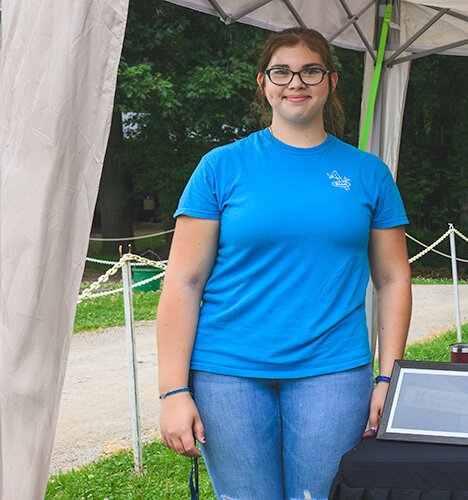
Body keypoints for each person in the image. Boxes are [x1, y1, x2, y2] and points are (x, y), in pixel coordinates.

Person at [156, 27, 411, 499]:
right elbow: (183, 283)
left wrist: (389, 378)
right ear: (263, 82)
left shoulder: (367, 172)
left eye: (310, 70)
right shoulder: (220, 167)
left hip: (333, 372)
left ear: (331, 81)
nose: (296, 82)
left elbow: (394, 279)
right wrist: (173, 392)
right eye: (282, 71)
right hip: (226, 373)